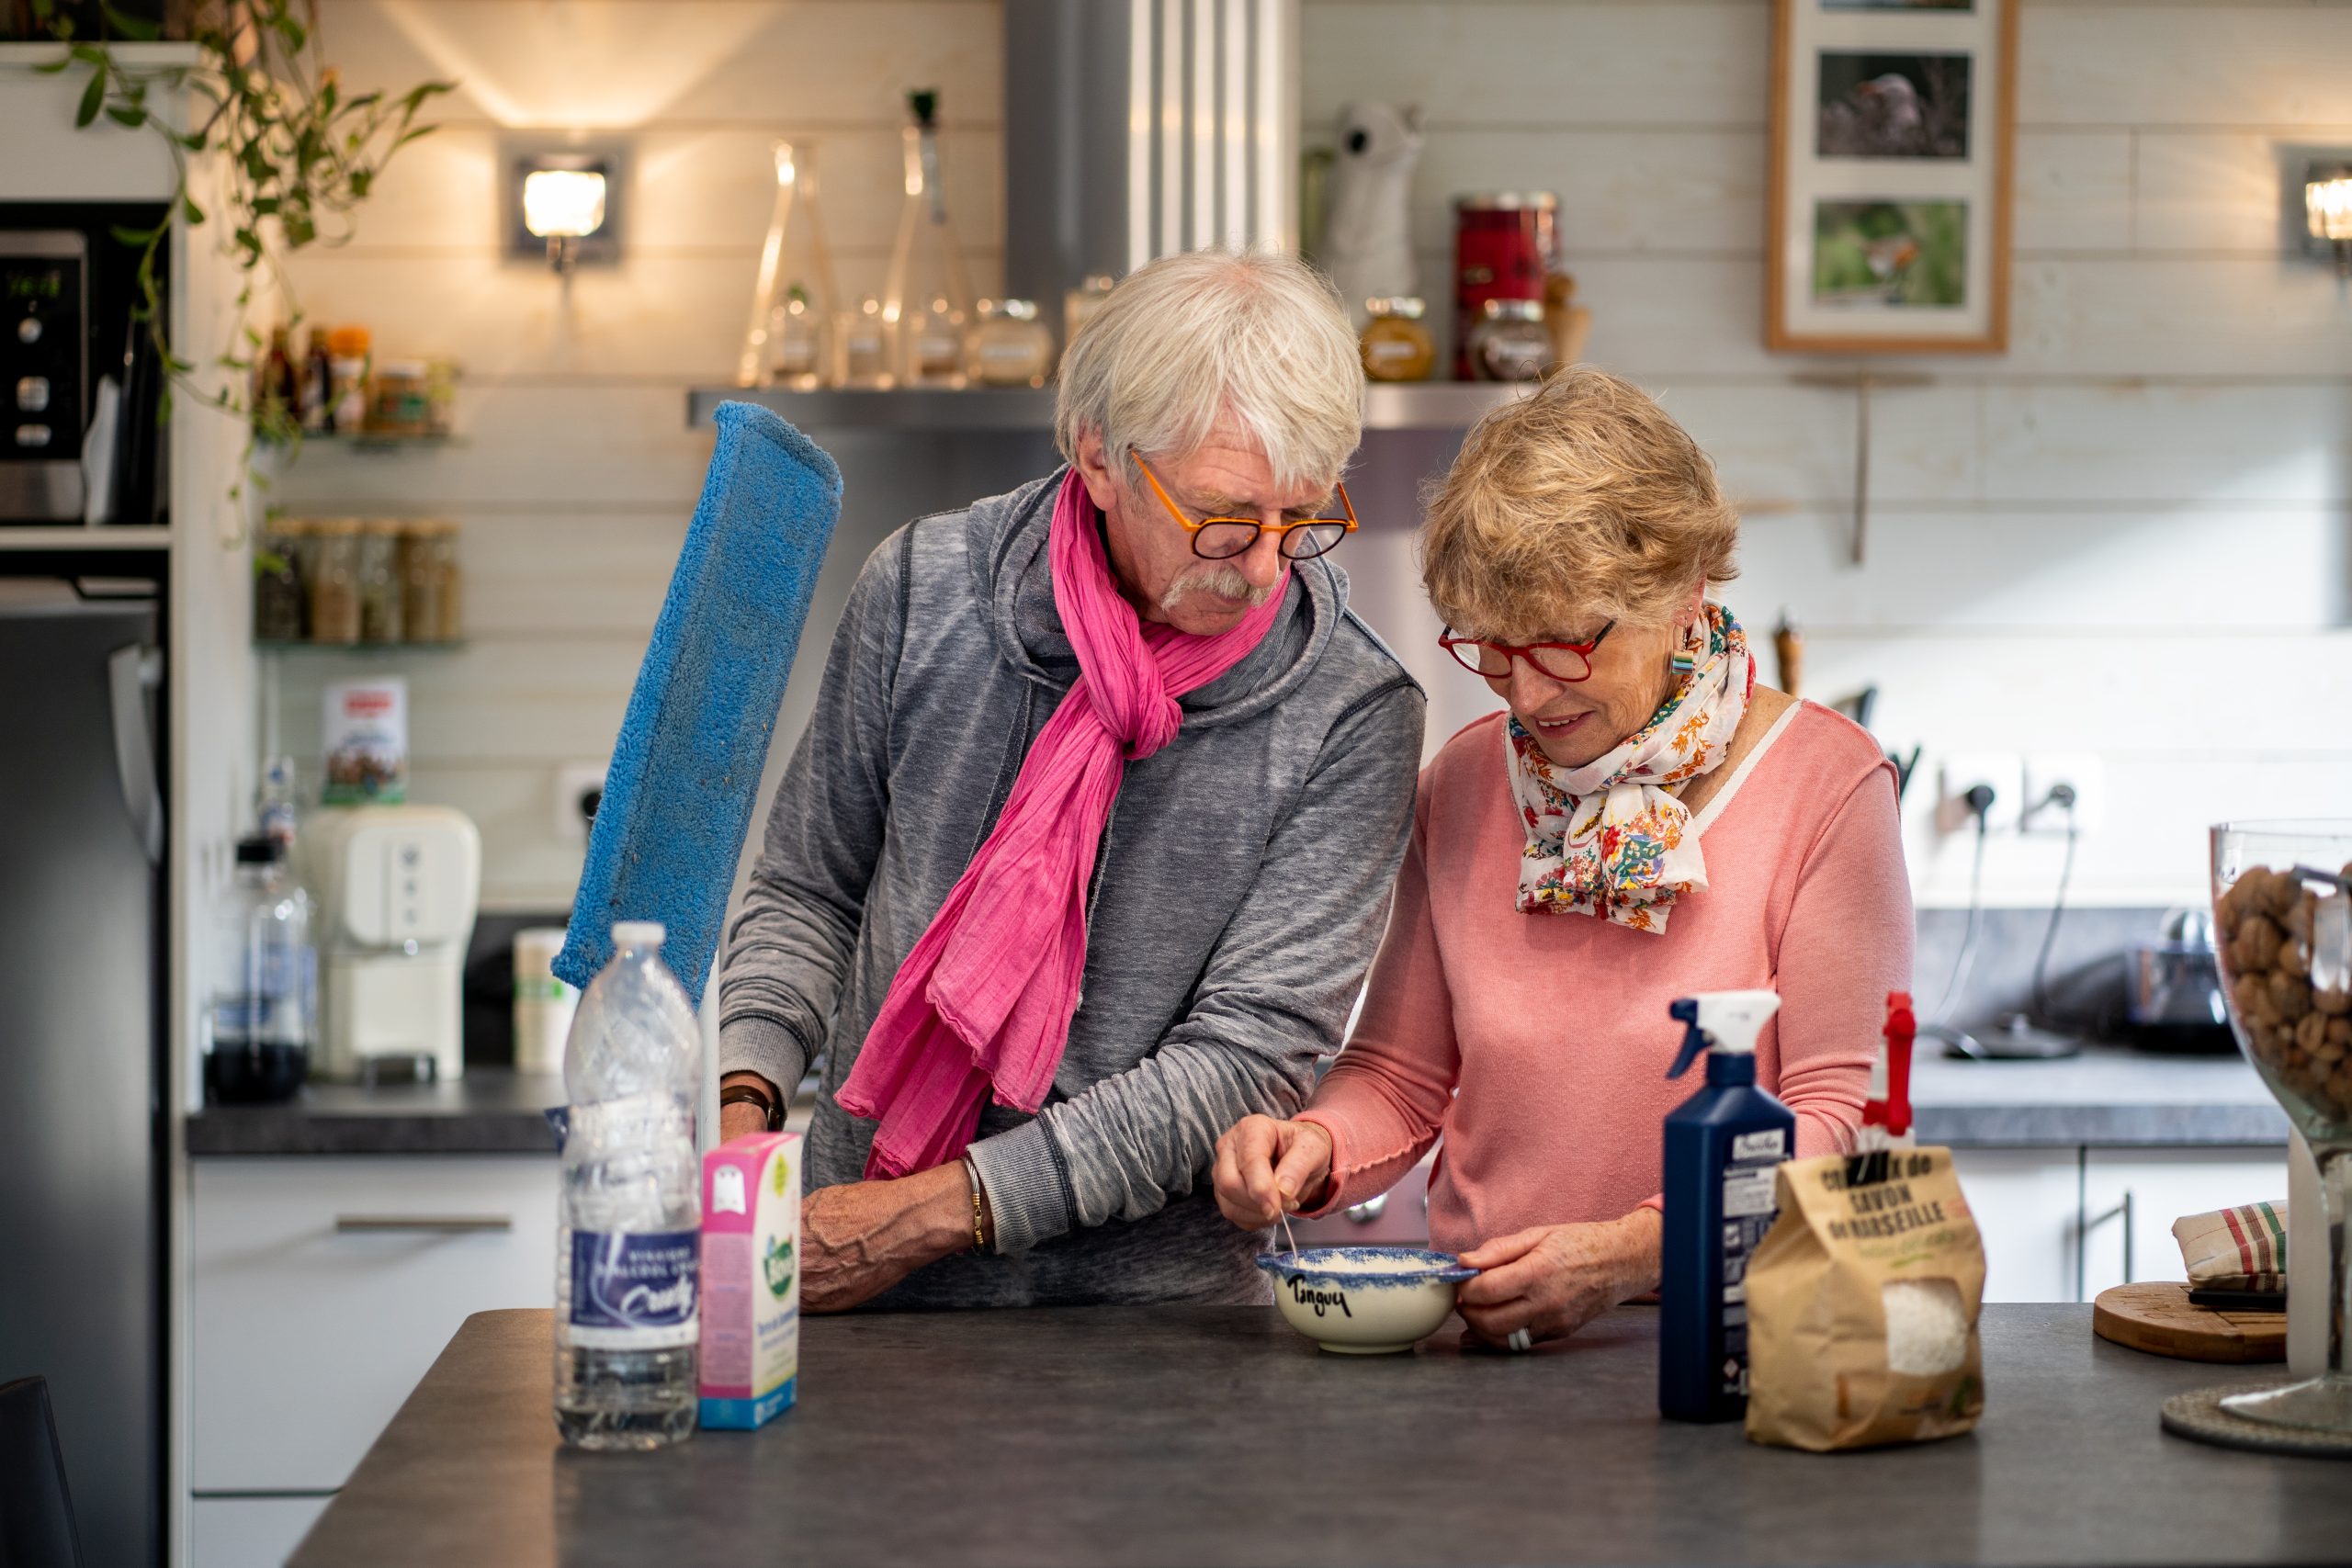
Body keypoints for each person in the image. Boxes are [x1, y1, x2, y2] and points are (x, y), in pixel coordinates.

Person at [715, 249, 1424, 1312]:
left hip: (1151, 1334)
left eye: (1302, 516)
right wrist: (743, 1107)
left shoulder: (1353, 706)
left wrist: (919, 1218)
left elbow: (1241, 1062)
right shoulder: (924, 591)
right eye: (1224, 517)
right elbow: (810, 889)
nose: (1266, 565)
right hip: (839, 1278)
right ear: (1098, 456)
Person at [1214, 367, 1911, 1350]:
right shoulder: (1461, 785)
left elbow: (1842, 1118)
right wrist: (1313, 1146)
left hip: (1744, 1353)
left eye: (1564, 645)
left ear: (1681, 590)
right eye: (1494, 650)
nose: (1529, 696)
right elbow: (1400, 1076)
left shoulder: (1825, 784)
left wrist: (1636, 1252)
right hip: (1497, 1347)